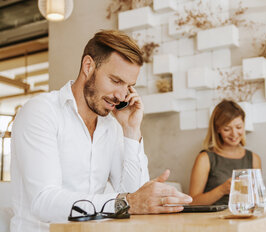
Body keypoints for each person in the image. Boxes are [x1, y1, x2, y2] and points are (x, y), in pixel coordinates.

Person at [10, 30, 192, 232]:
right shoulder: (41, 111)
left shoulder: (112, 126)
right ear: (88, 66)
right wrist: (127, 202)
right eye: (116, 81)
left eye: (129, 86)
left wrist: (131, 130)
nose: (122, 95)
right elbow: (43, 202)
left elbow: (134, 197)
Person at [189, 100, 261, 205]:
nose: (234, 134)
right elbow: (192, 202)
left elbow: (257, 197)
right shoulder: (205, 158)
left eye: (238, 127)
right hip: (212, 220)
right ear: (217, 129)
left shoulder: (254, 158)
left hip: (245, 217)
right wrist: (222, 190)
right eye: (227, 129)